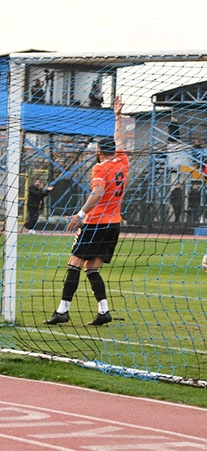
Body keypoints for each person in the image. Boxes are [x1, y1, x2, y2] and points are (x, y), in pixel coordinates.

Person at [45, 95, 129, 326]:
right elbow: (120, 140)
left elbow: (98, 192)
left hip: (95, 223)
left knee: (74, 262)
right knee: (92, 268)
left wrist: (80, 214)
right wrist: (118, 116)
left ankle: (63, 311)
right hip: (114, 224)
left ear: (99, 151)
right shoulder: (123, 163)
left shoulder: (100, 168)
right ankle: (104, 311)